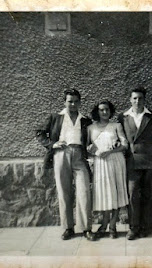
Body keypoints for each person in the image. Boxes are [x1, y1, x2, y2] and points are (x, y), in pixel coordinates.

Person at [36, 88, 96, 241]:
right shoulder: (56, 117)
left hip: (80, 156)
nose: (73, 104)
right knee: (64, 192)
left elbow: (90, 139)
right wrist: (52, 144)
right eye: (70, 101)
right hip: (61, 155)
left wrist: (92, 148)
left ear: (80, 102)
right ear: (64, 102)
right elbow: (39, 133)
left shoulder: (85, 120)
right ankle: (68, 228)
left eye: (76, 101)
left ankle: (86, 228)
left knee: (84, 192)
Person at [118, 87, 152, 240]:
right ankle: (133, 227)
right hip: (132, 160)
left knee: (149, 194)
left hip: (149, 160)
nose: (137, 101)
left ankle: (147, 226)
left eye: (140, 98)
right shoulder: (122, 117)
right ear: (130, 99)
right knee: (133, 194)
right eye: (134, 98)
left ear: (144, 99)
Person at [87, 100, 129, 239]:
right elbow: (88, 147)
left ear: (111, 111)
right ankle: (104, 224)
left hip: (115, 161)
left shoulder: (116, 125)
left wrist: (111, 151)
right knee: (105, 193)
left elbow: (125, 145)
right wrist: (93, 151)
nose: (104, 112)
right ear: (97, 112)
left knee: (116, 192)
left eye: (107, 110)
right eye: (102, 110)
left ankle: (112, 226)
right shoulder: (91, 128)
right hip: (100, 163)